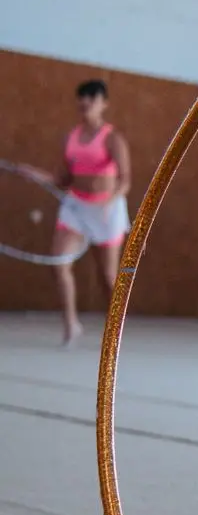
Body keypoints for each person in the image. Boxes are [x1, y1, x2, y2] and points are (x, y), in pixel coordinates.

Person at [22, 79, 132, 345]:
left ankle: (114, 331)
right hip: (76, 208)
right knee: (59, 263)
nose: (85, 103)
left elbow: (125, 179)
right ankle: (71, 324)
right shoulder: (70, 138)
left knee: (107, 278)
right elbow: (62, 179)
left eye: (92, 99)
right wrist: (34, 173)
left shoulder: (112, 138)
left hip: (106, 210)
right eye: (82, 98)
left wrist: (111, 200)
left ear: (103, 104)